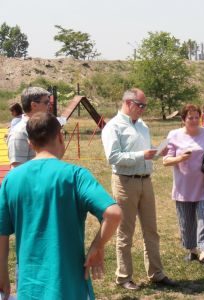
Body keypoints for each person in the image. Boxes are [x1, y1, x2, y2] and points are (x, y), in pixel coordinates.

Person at [0, 112, 121, 300]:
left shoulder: (11, 179)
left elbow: (2, 233)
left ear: (30, 143)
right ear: (60, 136)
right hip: (69, 286)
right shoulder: (76, 175)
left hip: (29, 287)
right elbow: (113, 214)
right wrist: (97, 246)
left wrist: (2, 273)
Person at [101, 88, 176, 290]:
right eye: (140, 105)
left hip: (145, 181)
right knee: (126, 232)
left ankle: (156, 273)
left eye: (145, 106)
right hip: (125, 182)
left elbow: (147, 152)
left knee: (151, 230)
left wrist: (159, 152)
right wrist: (141, 155)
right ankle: (123, 276)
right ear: (128, 102)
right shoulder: (113, 127)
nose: (143, 109)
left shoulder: (142, 126)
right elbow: (113, 157)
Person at [163, 104, 204, 267]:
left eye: (196, 117)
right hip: (183, 186)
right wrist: (179, 158)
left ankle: (203, 252)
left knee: (203, 217)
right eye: (190, 118)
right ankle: (192, 250)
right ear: (183, 119)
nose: (194, 120)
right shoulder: (173, 135)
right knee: (186, 221)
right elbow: (165, 160)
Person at [7, 87, 51, 168]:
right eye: (46, 102)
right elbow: (17, 172)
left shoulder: (44, 127)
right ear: (34, 105)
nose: (49, 105)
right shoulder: (19, 133)